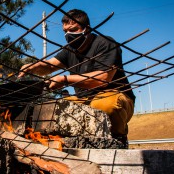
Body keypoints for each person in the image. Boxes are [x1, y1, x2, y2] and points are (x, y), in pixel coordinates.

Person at [18, 9, 135, 147]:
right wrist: (33, 66)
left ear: (87, 29)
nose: (68, 35)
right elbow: (49, 66)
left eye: (73, 30)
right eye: (65, 31)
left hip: (113, 96)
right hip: (84, 99)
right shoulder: (69, 51)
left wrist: (65, 79)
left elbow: (103, 78)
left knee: (103, 106)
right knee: (53, 107)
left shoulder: (105, 43)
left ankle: (118, 138)